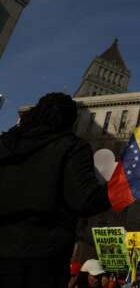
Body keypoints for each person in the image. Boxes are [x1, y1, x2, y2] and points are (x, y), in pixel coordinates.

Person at [0, 93, 111, 287]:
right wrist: (122, 184)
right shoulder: (71, 147)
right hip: (42, 261)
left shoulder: (5, 144)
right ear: (70, 121)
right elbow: (85, 200)